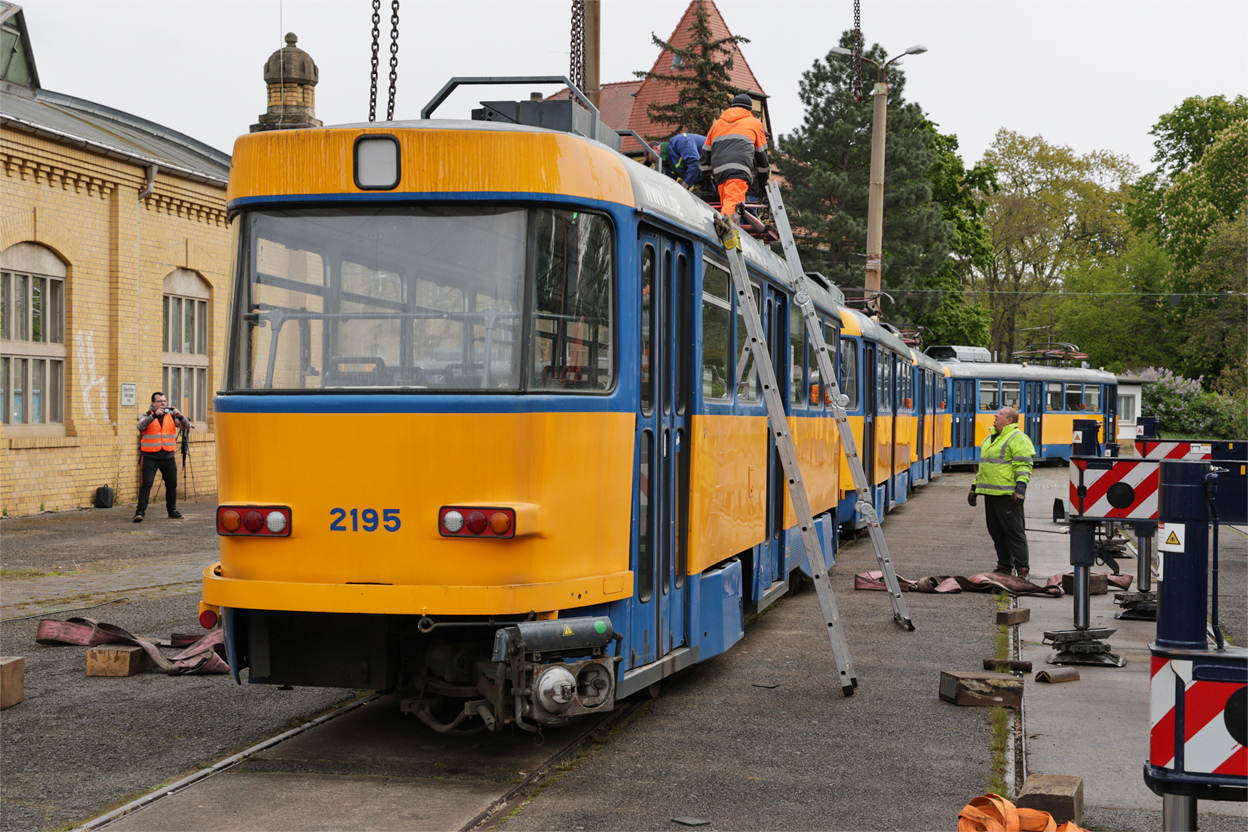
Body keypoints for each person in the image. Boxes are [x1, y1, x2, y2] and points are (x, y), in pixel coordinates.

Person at [968, 406, 1035, 577]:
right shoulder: (990, 439)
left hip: (1007, 496)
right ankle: (1004, 566)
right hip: (990, 494)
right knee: (996, 532)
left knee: (1014, 532)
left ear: (1009, 420)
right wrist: (975, 487)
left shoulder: (1018, 438)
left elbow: (1023, 466)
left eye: (1000, 414)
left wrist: (1021, 489)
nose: (995, 415)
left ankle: (1023, 568)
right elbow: (985, 467)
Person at [699, 93, 769, 220]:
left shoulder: (717, 124)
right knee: (731, 209)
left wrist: (708, 182)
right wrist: (764, 184)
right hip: (739, 171)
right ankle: (726, 238)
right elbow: (762, 159)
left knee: (727, 204)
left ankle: (728, 233)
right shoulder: (755, 123)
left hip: (719, 173)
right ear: (749, 110)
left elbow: (704, 159)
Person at [135, 391, 190, 522]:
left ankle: (172, 510)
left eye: (164, 401)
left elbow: (186, 426)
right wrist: (154, 416)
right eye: (159, 401)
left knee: (172, 484)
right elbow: (140, 425)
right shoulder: (147, 415)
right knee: (146, 484)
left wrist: (180, 415)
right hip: (150, 456)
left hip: (168, 456)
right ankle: (140, 512)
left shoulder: (171, 416)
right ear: (153, 403)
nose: (163, 404)